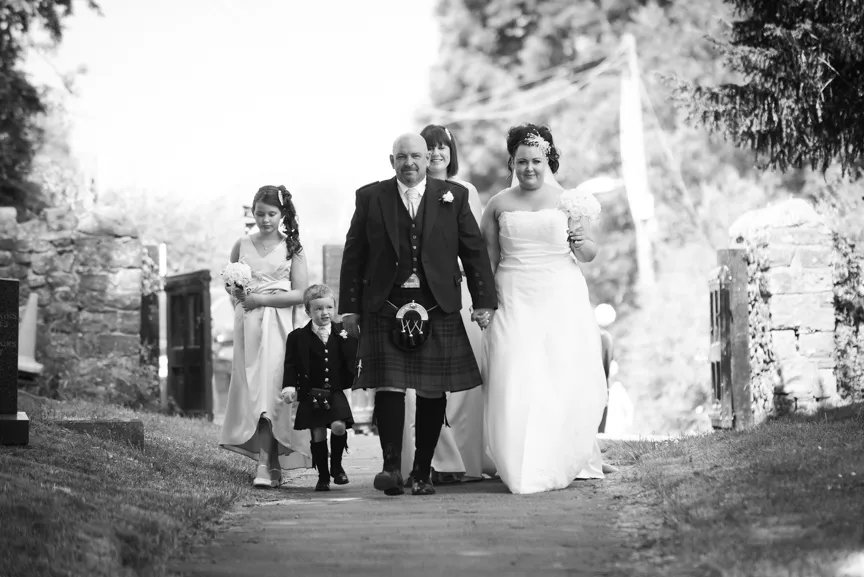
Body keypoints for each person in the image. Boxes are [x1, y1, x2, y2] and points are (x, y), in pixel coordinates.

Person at [339, 132, 497, 496]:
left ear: (428, 160)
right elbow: (354, 255)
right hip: (384, 303)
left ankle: (423, 473)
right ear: (391, 160)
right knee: (389, 386)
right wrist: (350, 308)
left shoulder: (453, 197)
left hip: (437, 303)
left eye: (416, 156)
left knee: (432, 388)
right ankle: (391, 468)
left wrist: (484, 299)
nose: (409, 163)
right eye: (402, 156)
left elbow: (473, 250)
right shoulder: (370, 197)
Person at [480, 124, 607, 495]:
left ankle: (562, 453)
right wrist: (485, 303)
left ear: (547, 159)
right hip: (514, 294)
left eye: (536, 160)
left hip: (560, 294)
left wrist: (582, 241)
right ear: (512, 162)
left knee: (560, 371)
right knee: (514, 370)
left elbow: (587, 254)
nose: (529, 168)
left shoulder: (568, 200)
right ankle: (517, 458)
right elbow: (488, 260)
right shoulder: (499, 204)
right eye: (521, 161)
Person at [400, 124, 496, 485]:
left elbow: (477, 248)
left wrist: (483, 295)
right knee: (422, 383)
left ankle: (467, 460)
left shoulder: (466, 191)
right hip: (419, 297)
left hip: (460, 292)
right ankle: (433, 461)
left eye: (443, 147)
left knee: (467, 382)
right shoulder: (405, 191)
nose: (437, 154)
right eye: (430, 148)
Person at [220, 185, 312, 488]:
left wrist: (263, 301)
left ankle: (265, 462)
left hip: (278, 325)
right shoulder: (242, 244)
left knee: (271, 390)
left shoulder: (293, 248)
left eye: (271, 214)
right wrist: (238, 294)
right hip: (248, 325)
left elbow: (301, 293)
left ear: (282, 214)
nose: (265, 220)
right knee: (251, 389)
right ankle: (268, 463)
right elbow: (230, 284)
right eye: (259, 213)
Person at [282, 284, 358, 492]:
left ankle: (337, 466)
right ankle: (323, 476)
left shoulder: (344, 333)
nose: (325, 313)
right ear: (307, 311)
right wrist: (289, 386)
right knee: (317, 435)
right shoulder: (297, 337)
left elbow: (351, 360)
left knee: (339, 426)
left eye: (328, 308)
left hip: (334, 392)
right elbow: (290, 365)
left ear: (334, 308)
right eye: (318, 309)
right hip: (311, 393)